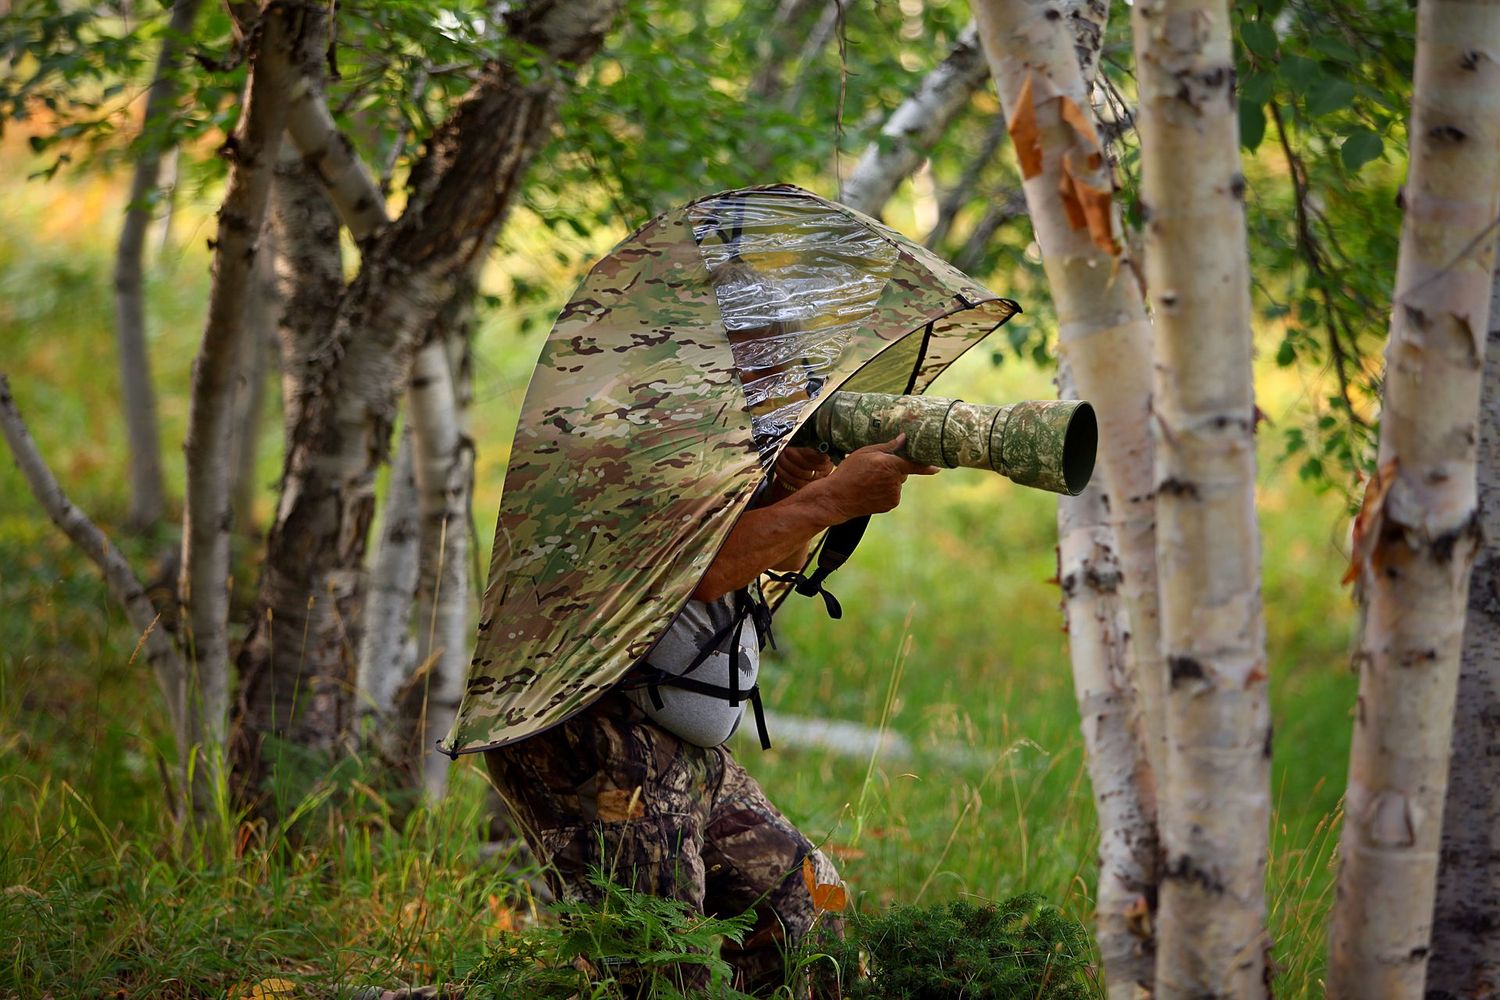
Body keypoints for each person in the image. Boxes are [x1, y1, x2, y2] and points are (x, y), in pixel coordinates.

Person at [483, 433, 938, 996]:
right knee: (660, 975)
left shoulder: (725, 431)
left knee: (806, 922)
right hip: (600, 735)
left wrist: (795, 484)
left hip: (683, 748)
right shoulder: (639, 426)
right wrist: (833, 499)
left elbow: (777, 559)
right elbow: (698, 569)